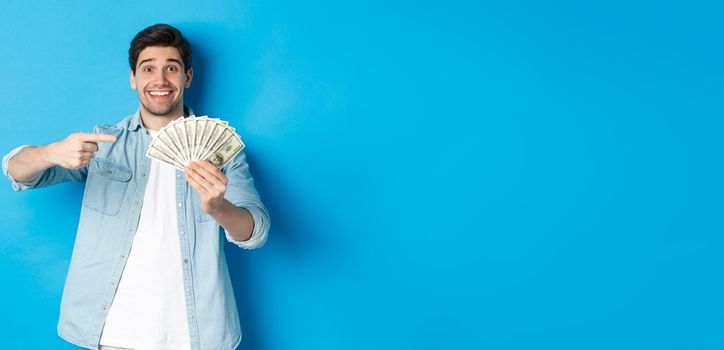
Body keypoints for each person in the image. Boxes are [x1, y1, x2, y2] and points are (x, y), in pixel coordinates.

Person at [1, 24, 270, 350]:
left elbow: (255, 231)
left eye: (171, 68)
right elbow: (15, 170)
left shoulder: (222, 150)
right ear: (133, 78)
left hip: (196, 333)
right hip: (113, 331)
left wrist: (219, 208)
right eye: (148, 69)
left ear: (187, 78)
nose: (160, 80)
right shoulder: (103, 143)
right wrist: (51, 152)